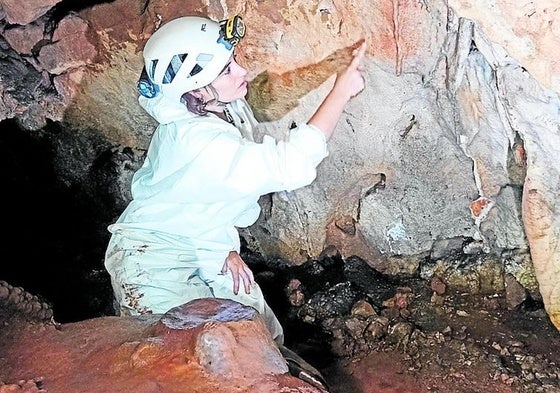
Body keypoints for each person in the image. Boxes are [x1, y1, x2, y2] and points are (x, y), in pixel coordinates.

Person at [104, 14, 365, 389]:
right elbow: (290, 165)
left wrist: (218, 245)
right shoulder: (200, 141)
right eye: (227, 69)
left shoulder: (214, 111)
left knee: (257, 325)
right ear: (195, 90)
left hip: (197, 242)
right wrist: (341, 90)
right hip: (151, 261)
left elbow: (191, 197)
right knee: (191, 360)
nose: (242, 70)